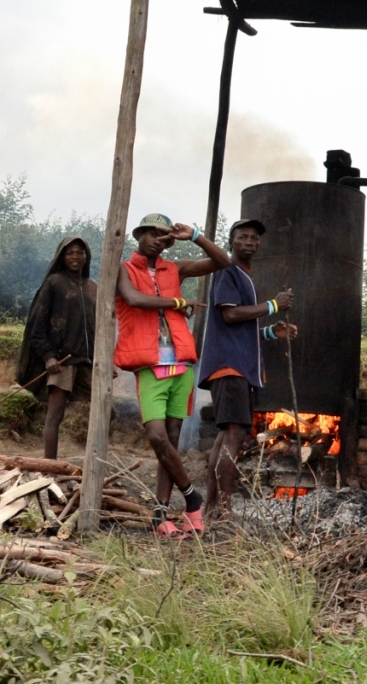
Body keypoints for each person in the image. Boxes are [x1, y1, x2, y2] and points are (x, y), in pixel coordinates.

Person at [115, 213, 230, 538]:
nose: (158, 240)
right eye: (151, 234)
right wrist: (178, 301)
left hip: (181, 366)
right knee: (157, 437)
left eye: (164, 237)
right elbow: (134, 299)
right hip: (149, 366)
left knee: (173, 441)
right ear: (139, 236)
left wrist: (193, 235)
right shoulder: (123, 268)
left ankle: (160, 517)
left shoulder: (174, 267)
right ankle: (193, 499)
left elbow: (222, 261)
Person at [197, 219, 297, 517]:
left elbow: (239, 328)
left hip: (235, 367)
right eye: (243, 237)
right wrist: (273, 306)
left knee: (225, 436)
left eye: (254, 238)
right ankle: (223, 508)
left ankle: (214, 508)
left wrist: (269, 332)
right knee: (234, 435)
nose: (250, 242)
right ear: (232, 242)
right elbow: (229, 315)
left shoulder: (243, 275)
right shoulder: (227, 270)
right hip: (230, 368)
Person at [16, 236, 97, 461]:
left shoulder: (93, 288)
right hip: (62, 361)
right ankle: (49, 465)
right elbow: (37, 324)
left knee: (101, 412)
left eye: (80, 252)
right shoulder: (54, 283)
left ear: (86, 257)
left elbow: (98, 328)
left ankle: (92, 461)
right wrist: (48, 356)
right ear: (62, 256)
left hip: (87, 361)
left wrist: (105, 360)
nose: (75, 257)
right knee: (55, 414)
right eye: (70, 252)